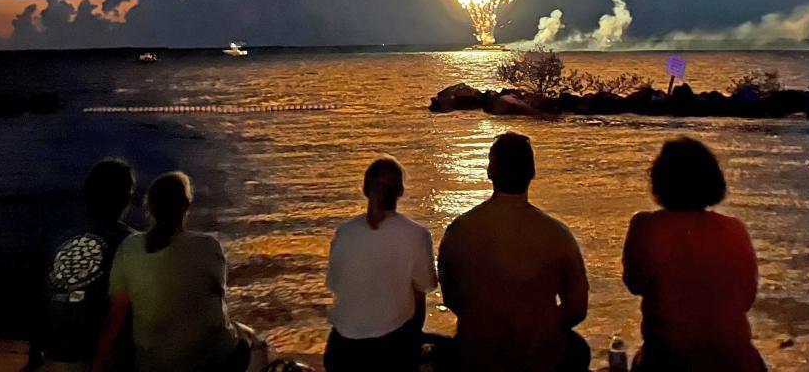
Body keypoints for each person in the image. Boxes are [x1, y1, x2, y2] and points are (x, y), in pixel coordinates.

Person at [437, 133, 589, 372]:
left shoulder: (459, 231)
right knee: (579, 350)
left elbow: (452, 298)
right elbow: (577, 309)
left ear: (490, 172)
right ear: (531, 174)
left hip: (477, 356)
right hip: (540, 357)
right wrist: (540, 327)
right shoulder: (558, 235)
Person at [621, 137, 765, 372]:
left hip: (669, 360)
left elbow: (635, 283)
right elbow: (746, 298)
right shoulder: (734, 229)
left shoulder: (646, 227)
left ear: (659, 181)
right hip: (736, 361)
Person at [93, 171, 260, 372]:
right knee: (255, 343)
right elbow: (218, 296)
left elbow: (116, 316)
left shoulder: (128, 247)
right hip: (212, 361)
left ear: (149, 207)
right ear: (186, 206)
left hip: (151, 365)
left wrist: (98, 364)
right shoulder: (207, 245)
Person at [324, 156, 437, 371]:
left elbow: (335, 286)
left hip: (341, 350)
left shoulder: (345, 233)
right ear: (400, 191)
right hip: (391, 350)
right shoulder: (416, 235)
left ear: (365, 190)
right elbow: (425, 287)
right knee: (416, 292)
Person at [32, 159, 138, 371]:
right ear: (126, 198)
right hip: (97, 359)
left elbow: (40, 303)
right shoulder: (132, 243)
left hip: (51, 354)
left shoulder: (61, 240)